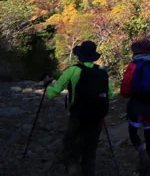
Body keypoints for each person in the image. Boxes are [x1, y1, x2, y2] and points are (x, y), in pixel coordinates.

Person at [47, 41, 110, 176]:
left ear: (79, 56)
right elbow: (109, 94)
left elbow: (53, 93)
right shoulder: (102, 72)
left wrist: (47, 85)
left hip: (78, 116)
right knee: (90, 150)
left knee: (72, 146)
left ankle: (73, 169)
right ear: (94, 57)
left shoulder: (72, 70)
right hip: (97, 117)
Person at [120, 38, 150, 175]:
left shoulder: (133, 66)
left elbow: (125, 89)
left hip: (136, 105)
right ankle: (149, 162)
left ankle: (142, 154)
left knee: (133, 132)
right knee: (148, 134)